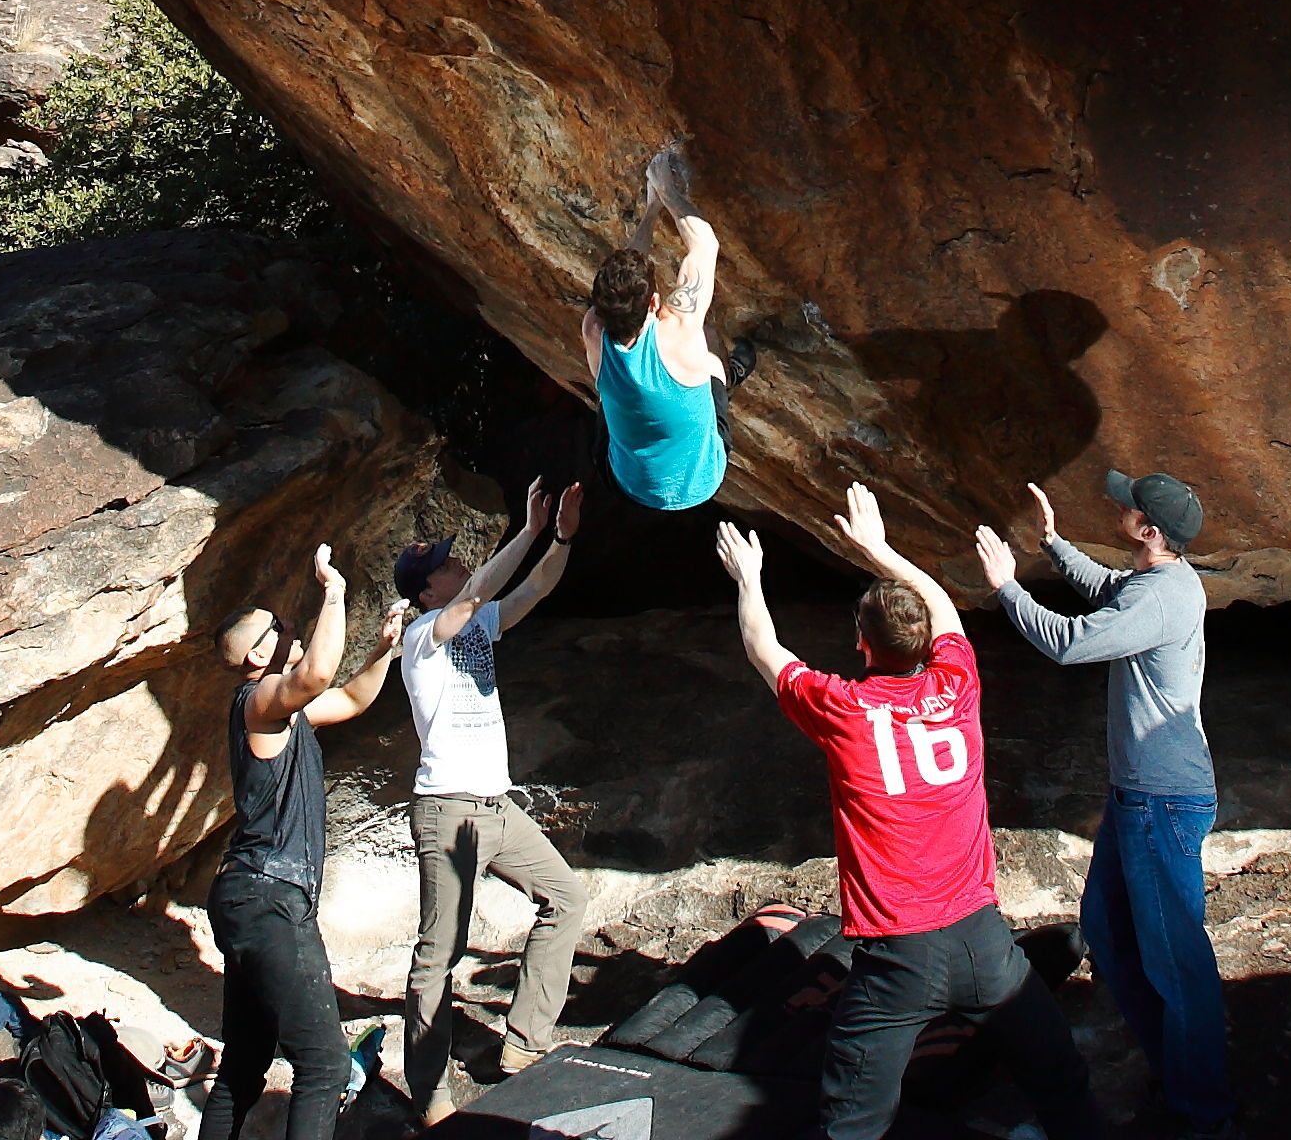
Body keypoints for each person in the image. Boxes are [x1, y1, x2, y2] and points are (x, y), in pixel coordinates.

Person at [718, 485, 1102, 1140]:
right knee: (1058, 1075)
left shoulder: (843, 708)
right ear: (924, 643)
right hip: (985, 943)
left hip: (899, 956)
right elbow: (946, 610)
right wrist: (880, 549)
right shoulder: (957, 683)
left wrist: (749, 579)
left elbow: (764, 649)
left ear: (861, 644)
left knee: (853, 1121)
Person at [978, 472, 1233, 1138]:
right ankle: (1178, 1076)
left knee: (1177, 963)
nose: (1119, 505)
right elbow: (1109, 592)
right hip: (1137, 800)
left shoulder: (1165, 596)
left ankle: (1202, 1116)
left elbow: (1071, 642)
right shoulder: (1157, 580)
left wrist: (1007, 587)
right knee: (1111, 934)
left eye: (1130, 506)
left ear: (1151, 530)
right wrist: (1054, 542)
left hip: (1162, 803)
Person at [393, 478, 592, 1118]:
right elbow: (482, 586)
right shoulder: (423, 635)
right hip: (447, 811)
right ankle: (428, 1092)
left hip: (496, 807)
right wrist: (528, 531)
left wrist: (560, 536)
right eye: (444, 566)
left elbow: (535, 589)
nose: (457, 566)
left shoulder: (476, 622)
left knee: (566, 898)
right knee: (438, 954)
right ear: (426, 591)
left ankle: (525, 1045)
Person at [198, 543, 406, 1140]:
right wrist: (333, 590)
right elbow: (315, 675)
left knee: (242, 1065)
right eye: (278, 625)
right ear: (261, 652)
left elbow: (353, 696)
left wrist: (384, 649)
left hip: (251, 899)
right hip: (268, 900)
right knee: (325, 1065)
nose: (289, 625)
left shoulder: (288, 715)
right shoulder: (259, 703)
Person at [583, 149, 752, 511]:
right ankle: (730, 377)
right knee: (706, 344)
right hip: (701, 479)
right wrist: (667, 193)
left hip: (624, 478)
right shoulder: (679, 333)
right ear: (656, 304)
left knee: (611, 393)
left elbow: (626, 274)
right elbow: (706, 245)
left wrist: (649, 211)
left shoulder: (592, 329)